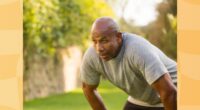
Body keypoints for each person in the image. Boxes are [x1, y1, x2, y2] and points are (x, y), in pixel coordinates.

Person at [80, 17, 177, 110]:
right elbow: (88, 89)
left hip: (176, 92)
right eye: (94, 41)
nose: (99, 48)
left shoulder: (137, 50)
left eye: (104, 41)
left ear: (118, 37)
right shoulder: (91, 56)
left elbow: (168, 92)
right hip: (141, 98)